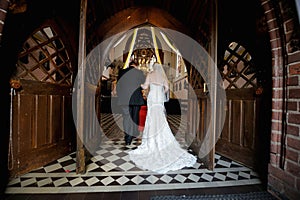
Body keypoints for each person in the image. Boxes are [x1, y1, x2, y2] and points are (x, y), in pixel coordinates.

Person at [128, 62, 197, 173]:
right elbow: (166, 89)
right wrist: (159, 90)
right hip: (159, 98)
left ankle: (152, 140)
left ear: (153, 68)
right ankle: (162, 138)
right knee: (160, 118)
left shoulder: (150, 74)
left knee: (151, 118)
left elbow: (145, 86)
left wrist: (138, 85)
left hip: (152, 98)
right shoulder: (162, 77)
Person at [116, 61, 146, 145]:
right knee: (135, 117)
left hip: (124, 99)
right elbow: (143, 83)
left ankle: (128, 138)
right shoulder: (139, 72)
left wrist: (120, 96)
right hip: (136, 98)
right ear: (136, 66)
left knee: (127, 118)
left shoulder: (122, 72)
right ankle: (134, 134)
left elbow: (118, 86)